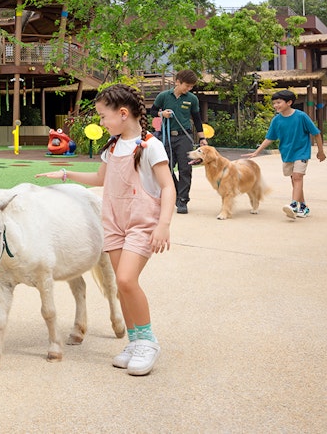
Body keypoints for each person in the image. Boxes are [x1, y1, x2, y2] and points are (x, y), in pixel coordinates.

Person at [36, 83, 176, 376]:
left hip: (142, 223)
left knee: (126, 281)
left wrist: (164, 224)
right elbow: (101, 179)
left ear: (123, 114)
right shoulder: (112, 146)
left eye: (102, 116)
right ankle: (135, 341)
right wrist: (65, 174)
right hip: (113, 223)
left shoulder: (150, 146)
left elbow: (168, 187)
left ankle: (149, 342)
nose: (100, 122)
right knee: (120, 285)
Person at [242, 89, 326, 219]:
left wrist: (321, 152)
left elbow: (316, 133)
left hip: (301, 152)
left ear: (289, 102)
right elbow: (270, 138)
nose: (276, 105)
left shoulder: (301, 116)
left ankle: (293, 205)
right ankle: (303, 206)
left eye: (278, 102)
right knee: (294, 180)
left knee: (297, 177)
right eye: (274, 103)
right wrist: (256, 152)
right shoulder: (276, 120)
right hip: (287, 153)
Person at [150, 69, 206, 214]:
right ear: (177, 82)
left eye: (191, 87)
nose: (189, 89)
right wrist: (161, 114)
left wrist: (202, 138)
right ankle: (174, 194)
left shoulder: (192, 99)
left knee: (185, 169)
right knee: (166, 168)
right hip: (166, 136)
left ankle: (183, 200)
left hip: (184, 137)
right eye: (186, 85)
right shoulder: (163, 96)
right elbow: (152, 111)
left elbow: (197, 119)